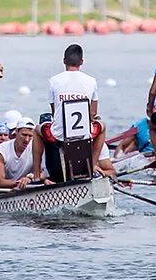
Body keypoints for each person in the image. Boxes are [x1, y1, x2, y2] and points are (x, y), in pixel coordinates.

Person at [31, 44, 104, 183]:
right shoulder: (91, 81)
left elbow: (54, 111)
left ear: (64, 61)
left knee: (36, 130)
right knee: (103, 126)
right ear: (82, 62)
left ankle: (35, 174)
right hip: (84, 134)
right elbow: (93, 113)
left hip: (58, 136)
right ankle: (93, 166)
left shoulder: (54, 81)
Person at [0, 118, 39, 189]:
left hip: (28, 188)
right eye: (24, 135)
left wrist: (30, 178)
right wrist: (20, 182)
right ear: (16, 132)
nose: (27, 139)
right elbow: (0, 182)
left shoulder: (37, 147)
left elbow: (43, 173)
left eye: (30, 136)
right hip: (6, 191)